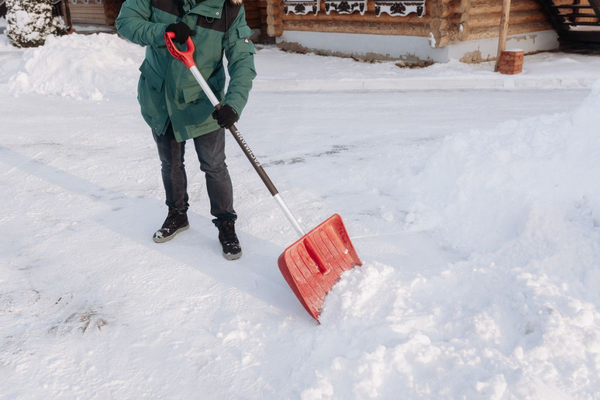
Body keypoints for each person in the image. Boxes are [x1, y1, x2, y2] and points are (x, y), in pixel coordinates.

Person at [116, 0, 256, 260]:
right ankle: (177, 214)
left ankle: (226, 223)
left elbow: (242, 59)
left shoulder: (229, 8)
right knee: (170, 163)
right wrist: (163, 31)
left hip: (204, 101)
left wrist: (233, 104)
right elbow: (125, 23)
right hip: (161, 98)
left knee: (214, 165)